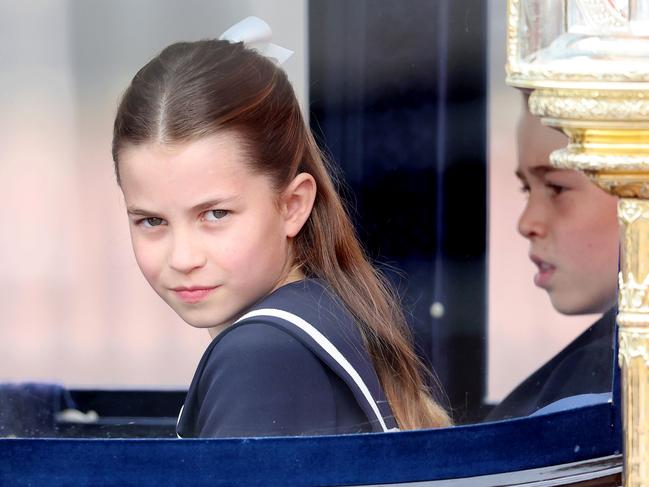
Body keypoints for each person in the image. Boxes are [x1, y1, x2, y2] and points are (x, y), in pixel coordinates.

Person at [111, 21, 450, 438]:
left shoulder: (261, 355)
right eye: (152, 221)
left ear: (293, 205)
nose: (183, 258)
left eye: (215, 214)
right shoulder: (328, 309)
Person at [487, 92, 619, 420]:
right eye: (526, 189)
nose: (526, 223)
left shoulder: (601, 384)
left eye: (557, 188)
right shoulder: (594, 377)